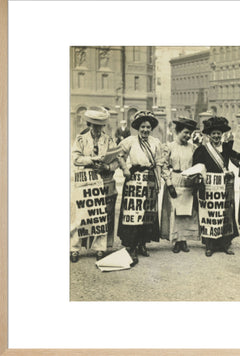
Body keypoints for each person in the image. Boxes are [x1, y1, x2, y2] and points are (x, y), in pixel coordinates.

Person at [116, 110, 172, 266]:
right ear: (137, 128)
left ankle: (142, 243)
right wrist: (125, 169)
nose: (145, 130)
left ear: (151, 128)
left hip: (149, 180)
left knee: (147, 213)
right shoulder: (130, 141)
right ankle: (131, 245)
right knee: (133, 213)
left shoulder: (156, 143)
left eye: (148, 127)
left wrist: (159, 181)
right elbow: (118, 155)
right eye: (142, 127)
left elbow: (160, 162)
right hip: (134, 180)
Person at [71, 108, 118, 263]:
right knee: (81, 215)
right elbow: (76, 158)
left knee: (101, 215)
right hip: (85, 180)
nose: (97, 129)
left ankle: (100, 248)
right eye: (94, 125)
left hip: (103, 181)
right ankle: (74, 248)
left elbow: (116, 160)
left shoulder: (109, 140)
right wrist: (92, 160)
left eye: (100, 126)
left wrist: (107, 167)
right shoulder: (81, 139)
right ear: (89, 124)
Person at [192, 116, 239, 257]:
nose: (216, 136)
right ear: (209, 135)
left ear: (222, 134)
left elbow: (238, 157)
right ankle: (209, 245)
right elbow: (197, 167)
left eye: (219, 133)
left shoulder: (227, 147)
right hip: (209, 187)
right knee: (210, 215)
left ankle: (225, 244)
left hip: (224, 186)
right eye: (213, 134)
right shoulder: (202, 150)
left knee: (225, 214)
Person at [160, 118, 200, 253]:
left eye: (190, 134)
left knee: (187, 212)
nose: (188, 136)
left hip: (188, 181)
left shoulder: (193, 148)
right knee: (175, 211)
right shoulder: (169, 147)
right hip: (175, 180)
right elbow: (164, 166)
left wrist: (195, 178)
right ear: (178, 132)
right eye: (186, 133)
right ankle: (176, 240)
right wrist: (169, 182)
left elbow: (197, 165)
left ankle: (184, 240)